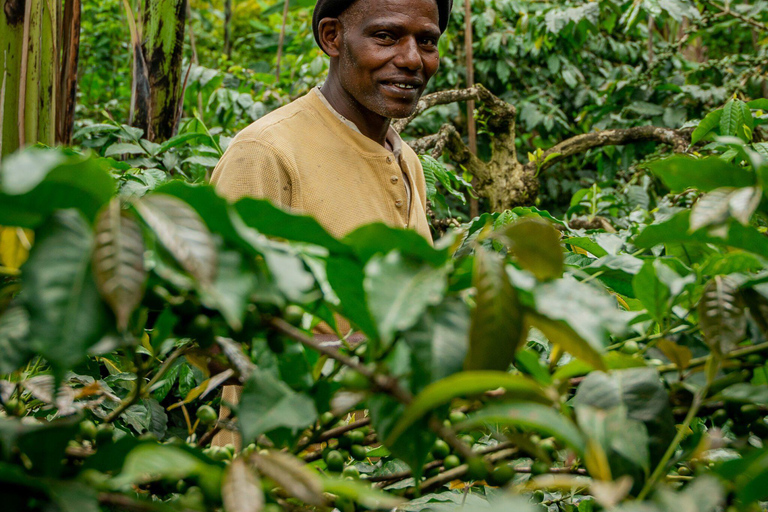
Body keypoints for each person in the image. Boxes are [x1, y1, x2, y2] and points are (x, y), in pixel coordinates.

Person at [209, 0, 453, 447]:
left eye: (427, 41)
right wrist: (369, 353)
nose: (412, 59)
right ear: (332, 38)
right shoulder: (266, 153)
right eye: (386, 36)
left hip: (379, 466)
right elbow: (215, 332)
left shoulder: (408, 161)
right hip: (283, 468)